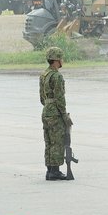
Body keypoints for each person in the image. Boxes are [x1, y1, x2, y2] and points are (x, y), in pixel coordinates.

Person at [39, 46, 72, 181]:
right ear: (56, 60)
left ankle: (49, 170)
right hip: (55, 113)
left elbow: (42, 98)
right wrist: (64, 115)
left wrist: (49, 106)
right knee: (57, 141)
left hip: (46, 110)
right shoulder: (57, 76)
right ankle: (55, 171)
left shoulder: (44, 75)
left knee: (49, 141)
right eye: (60, 58)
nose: (62, 61)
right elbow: (60, 98)